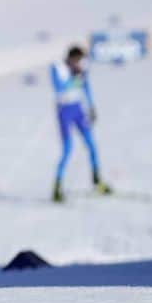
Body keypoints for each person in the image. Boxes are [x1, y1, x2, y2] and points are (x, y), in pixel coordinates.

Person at [50, 44, 112, 202]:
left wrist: (91, 107)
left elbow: (86, 87)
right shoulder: (58, 68)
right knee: (67, 149)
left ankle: (97, 180)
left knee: (91, 145)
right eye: (76, 61)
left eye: (80, 61)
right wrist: (73, 77)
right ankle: (57, 187)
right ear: (70, 59)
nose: (79, 63)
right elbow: (59, 88)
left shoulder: (81, 69)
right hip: (64, 111)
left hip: (78, 109)